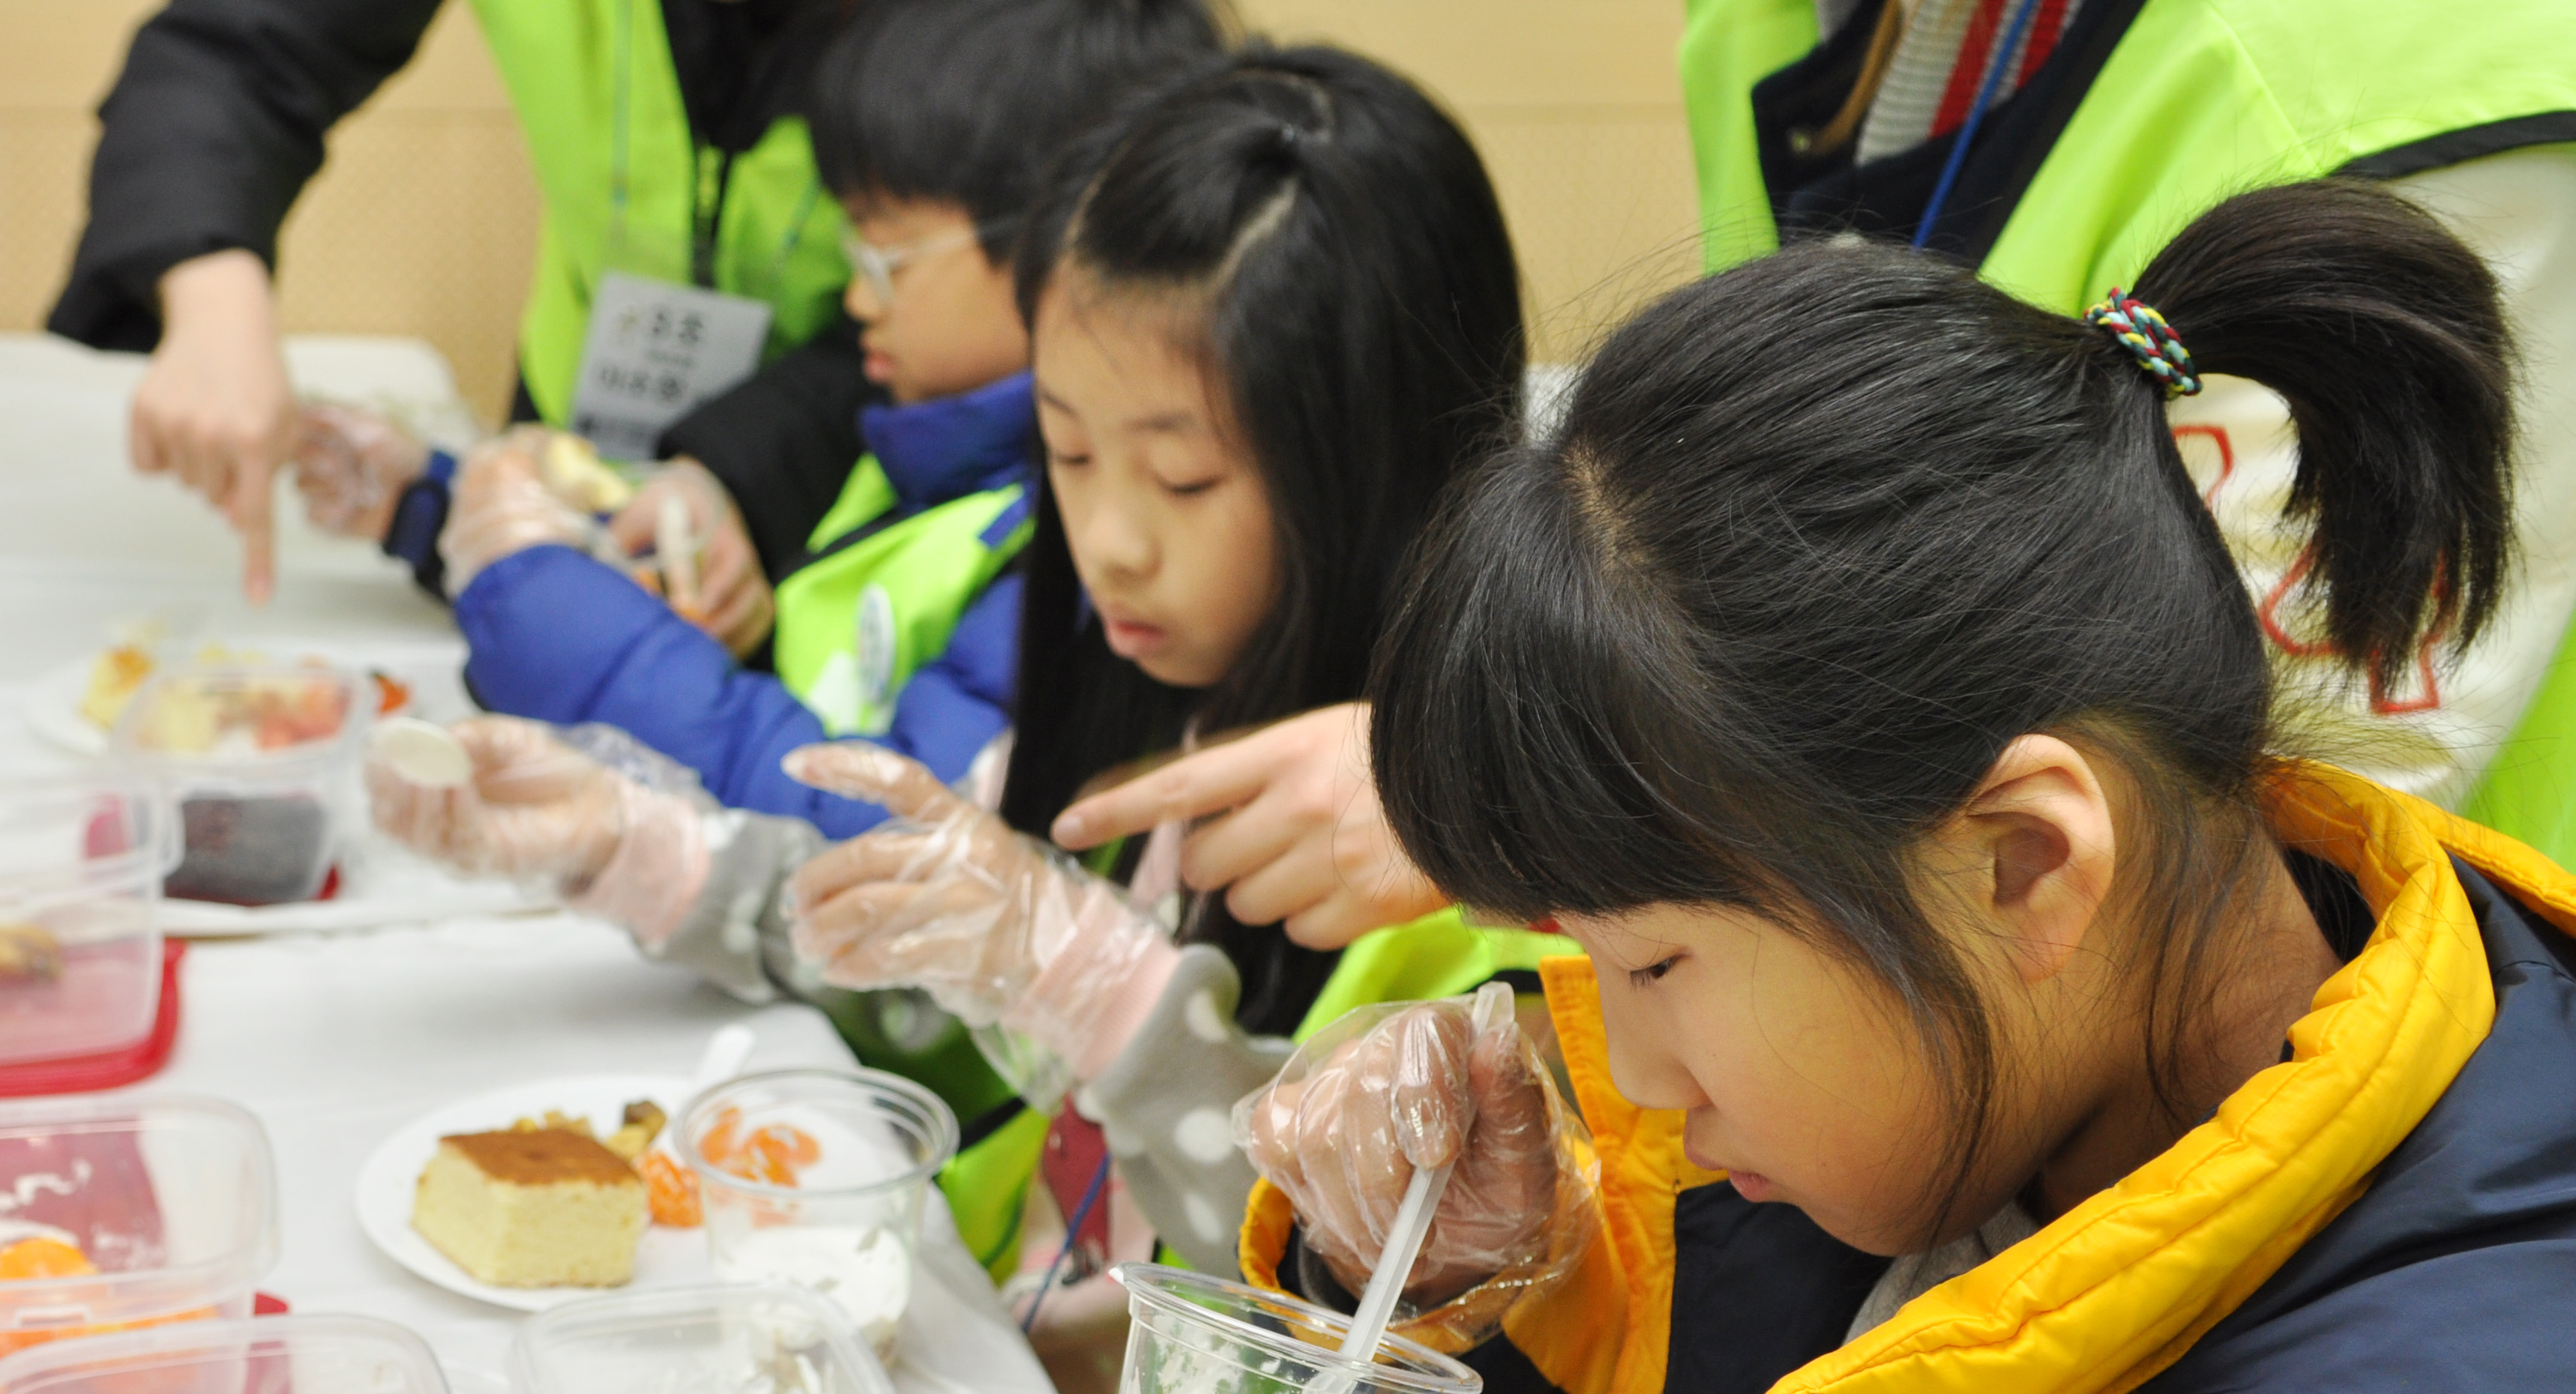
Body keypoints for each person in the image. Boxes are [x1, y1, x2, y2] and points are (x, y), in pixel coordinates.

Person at [1092, 179, 2576, 1394]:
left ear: (2023, 862)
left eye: (1653, 959)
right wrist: (1485, 1292)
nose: (1628, 1074)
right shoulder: (1959, 1077)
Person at [369, 47, 1561, 1394]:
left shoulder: (1496, 874)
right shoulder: (1157, 675)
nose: (1108, 537)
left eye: (1182, 473)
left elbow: (1375, 1333)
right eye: (1066, 452)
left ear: (1375, 463)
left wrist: (1106, 998)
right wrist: (627, 846)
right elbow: (960, 1007)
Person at [1059, 0, 2576, 923]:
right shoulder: (1791, 26)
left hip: (2332, 1116)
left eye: (1178, 476)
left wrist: (1535, 791)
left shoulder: (2412, 89)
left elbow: (2223, 797)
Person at [409, 0, 1225, 834]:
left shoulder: (1087, 552)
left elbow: (890, 835)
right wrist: (432, 505)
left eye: (884, 257)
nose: (854, 300)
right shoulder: (916, 436)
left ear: (1067, 240)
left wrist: (540, 600)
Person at [49, 0, 870, 607]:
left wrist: (743, 470)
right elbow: (230, 52)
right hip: (578, 431)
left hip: (868, 450)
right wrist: (211, 294)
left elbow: (984, 271)